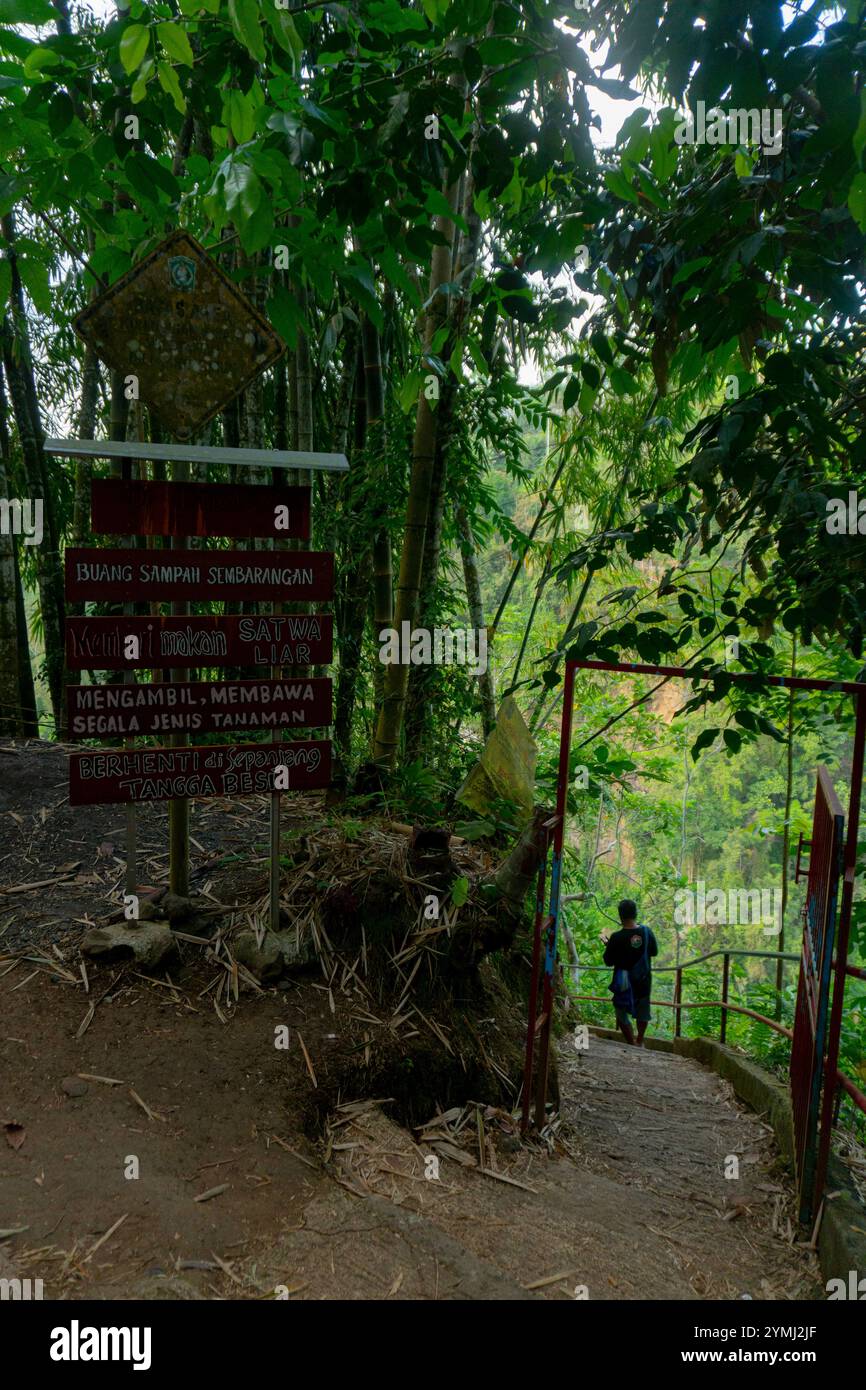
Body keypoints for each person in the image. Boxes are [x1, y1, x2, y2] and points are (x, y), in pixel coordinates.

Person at [602, 900, 658, 1046]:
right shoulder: (647, 932)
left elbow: (608, 961)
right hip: (643, 979)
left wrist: (609, 946)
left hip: (624, 982)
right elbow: (654, 952)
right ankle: (640, 1041)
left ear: (620, 916)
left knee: (620, 1012)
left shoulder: (616, 937)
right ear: (635, 913)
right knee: (643, 1012)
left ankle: (631, 1042)